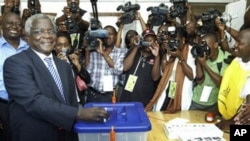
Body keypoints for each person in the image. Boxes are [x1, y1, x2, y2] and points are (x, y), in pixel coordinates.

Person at [3, 14, 109, 141]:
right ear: (27, 36)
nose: (47, 36)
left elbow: (70, 102)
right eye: (39, 31)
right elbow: (34, 101)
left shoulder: (64, 65)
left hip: (66, 135)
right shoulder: (15, 63)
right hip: (35, 135)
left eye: (51, 31)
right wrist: (79, 113)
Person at [145, 26, 196, 112]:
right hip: (168, 88)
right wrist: (165, 53)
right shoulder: (171, 49)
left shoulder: (190, 51)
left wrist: (180, 57)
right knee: (161, 112)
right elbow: (164, 72)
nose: (174, 43)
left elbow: (191, 75)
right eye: (172, 40)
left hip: (181, 92)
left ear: (183, 39)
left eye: (176, 40)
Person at [0, 12, 29, 141]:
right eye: (10, 23)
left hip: (28, 105)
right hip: (3, 105)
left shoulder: (30, 49)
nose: (15, 27)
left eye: (18, 24)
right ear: (2, 25)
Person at [216, 28, 250, 130]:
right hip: (225, 117)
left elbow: (246, 110)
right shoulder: (238, 60)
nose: (235, 45)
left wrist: (230, 123)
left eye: (240, 43)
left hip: (237, 123)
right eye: (236, 41)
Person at [189, 33, 231, 112]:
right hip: (196, 100)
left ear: (215, 45)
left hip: (213, 103)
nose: (204, 49)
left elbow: (221, 84)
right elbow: (199, 80)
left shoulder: (226, 58)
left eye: (206, 46)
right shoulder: (204, 57)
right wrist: (198, 60)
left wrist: (204, 65)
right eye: (202, 46)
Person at [120, 29, 161, 107]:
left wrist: (157, 56)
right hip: (127, 97)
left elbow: (155, 78)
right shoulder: (134, 51)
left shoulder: (157, 56)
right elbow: (125, 67)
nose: (149, 43)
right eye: (146, 40)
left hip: (145, 99)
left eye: (151, 41)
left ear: (156, 42)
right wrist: (136, 47)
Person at [86, 25, 127, 103]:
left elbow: (118, 70)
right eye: (105, 34)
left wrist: (103, 53)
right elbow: (88, 71)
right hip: (93, 94)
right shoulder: (94, 52)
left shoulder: (121, 52)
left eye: (110, 34)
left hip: (110, 95)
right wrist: (87, 49)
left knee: (110, 115)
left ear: (115, 36)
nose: (107, 36)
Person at [54, 31, 90, 105]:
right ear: (54, 47)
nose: (63, 48)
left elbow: (88, 79)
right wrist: (57, 64)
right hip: (59, 104)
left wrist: (78, 65)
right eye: (59, 45)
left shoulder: (73, 60)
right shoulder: (51, 62)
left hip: (76, 102)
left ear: (70, 46)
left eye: (65, 45)